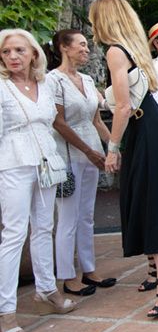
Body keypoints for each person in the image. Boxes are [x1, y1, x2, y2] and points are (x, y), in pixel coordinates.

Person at [88, 0, 158, 318]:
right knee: (143, 198)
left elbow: (124, 107)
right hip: (148, 128)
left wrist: (112, 149)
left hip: (142, 129)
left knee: (149, 201)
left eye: (94, 18)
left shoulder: (115, 51)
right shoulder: (132, 48)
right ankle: (156, 270)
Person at [0, 29, 75, 332]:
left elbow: (52, 123)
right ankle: (6, 310)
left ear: (33, 53)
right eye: (6, 52)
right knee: (14, 234)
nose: (13, 57)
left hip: (47, 160)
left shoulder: (45, 84)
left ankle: (47, 291)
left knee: (45, 227)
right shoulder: (2, 87)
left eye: (19, 50)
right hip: (13, 161)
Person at [48, 30, 115, 297]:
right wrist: (88, 151)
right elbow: (58, 122)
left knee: (86, 214)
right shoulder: (53, 80)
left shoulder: (87, 79)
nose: (87, 50)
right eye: (82, 45)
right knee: (67, 217)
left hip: (92, 153)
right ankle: (67, 275)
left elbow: (97, 120)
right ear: (64, 47)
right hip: (68, 153)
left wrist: (114, 148)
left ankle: (89, 268)